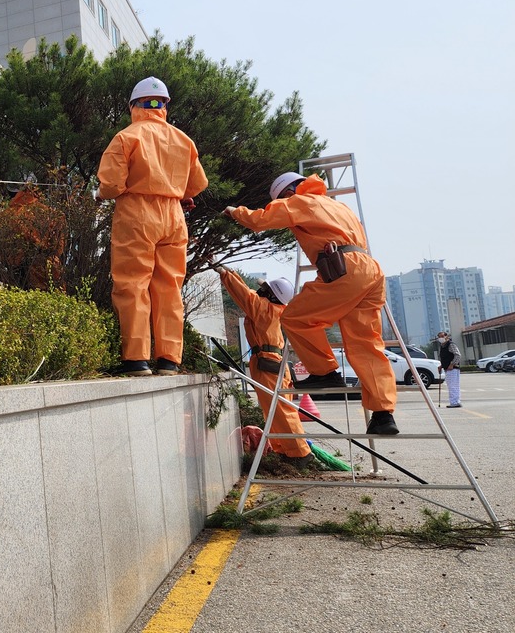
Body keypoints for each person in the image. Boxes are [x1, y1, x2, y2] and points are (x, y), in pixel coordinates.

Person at [223, 171, 399, 435]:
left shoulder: (300, 202)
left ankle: (325, 371)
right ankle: (384, 414)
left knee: (295, 318)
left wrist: (234, 211)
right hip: (370, 270)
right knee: (366, 343)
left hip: (343, 268)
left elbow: (260, 220)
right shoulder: (338, 206)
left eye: (282, 199)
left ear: (289, 192)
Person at [96, 76, 208, 376]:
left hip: (137, 213)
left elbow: (111, 184)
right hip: (174, 217)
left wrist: (100, 193)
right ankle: (169, 360)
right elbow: (198, 183)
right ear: (164, 106)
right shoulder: (184, 140)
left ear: (134, 106)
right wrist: (176, 194)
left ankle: (136, 360)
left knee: (133, 284)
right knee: (169, 288)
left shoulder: (126, 137)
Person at [218, 267, 314, 466]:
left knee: (279, 411)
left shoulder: (264, 308)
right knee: (275, 411)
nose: (259, 290)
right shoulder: (275, 308)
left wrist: (224, 273)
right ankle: (286, 450)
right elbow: (248, 292)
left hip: (268, 363)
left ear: (271, 295)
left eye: (265, 289)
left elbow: (243, 294)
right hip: (274, 363)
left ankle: (300, 453)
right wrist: (230, 272)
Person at [437, 331, 462, 408]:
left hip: (452, 369)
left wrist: (452, 364)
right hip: (447, 368)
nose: (441, 338)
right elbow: (446, 358)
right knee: (452, 385)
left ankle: (454, 402)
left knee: (452, 386)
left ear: (446, 336)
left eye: (442, 336)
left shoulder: (450, 345)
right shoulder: (442, 346)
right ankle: (455, 401)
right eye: (439, 337)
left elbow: (458, 355)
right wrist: (442, 365)